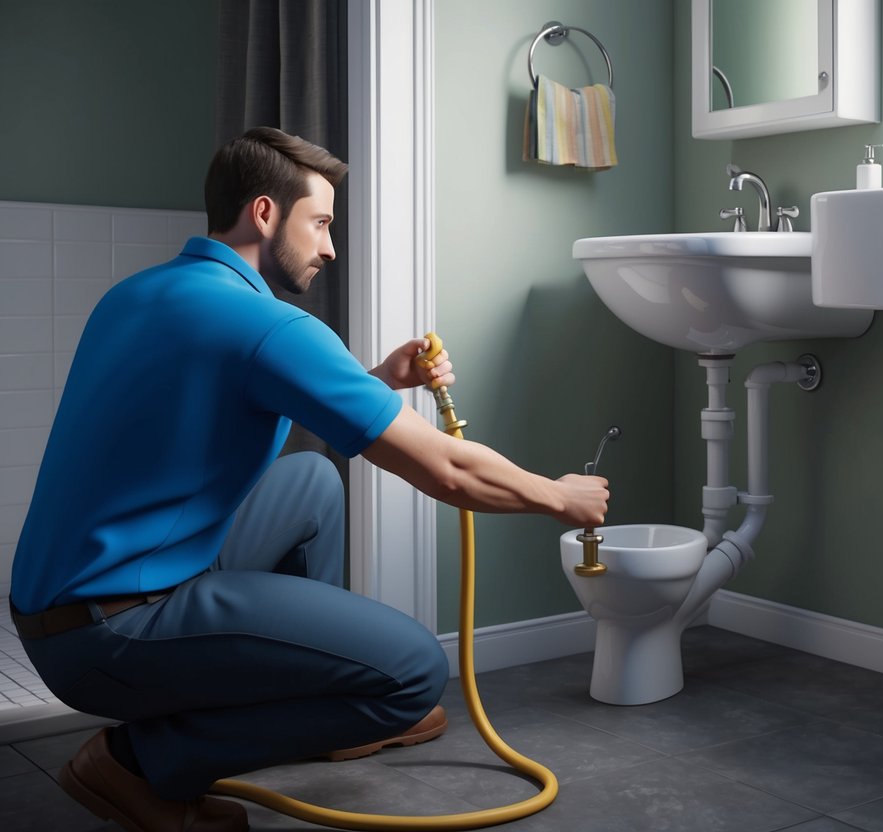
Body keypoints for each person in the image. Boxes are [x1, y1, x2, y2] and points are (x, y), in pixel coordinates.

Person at [8, 126, 609, 832]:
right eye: (320, 222)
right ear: (264, 213)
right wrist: (559, 496)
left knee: (312, 485)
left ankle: (317, 690)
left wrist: (382, 381)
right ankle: (136, 762)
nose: (329, 246)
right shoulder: (268, 325)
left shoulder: (142, 293)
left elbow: (228, 406)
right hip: (112, 632)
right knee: (412, 673)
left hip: (59, 610)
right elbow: (446, 470)